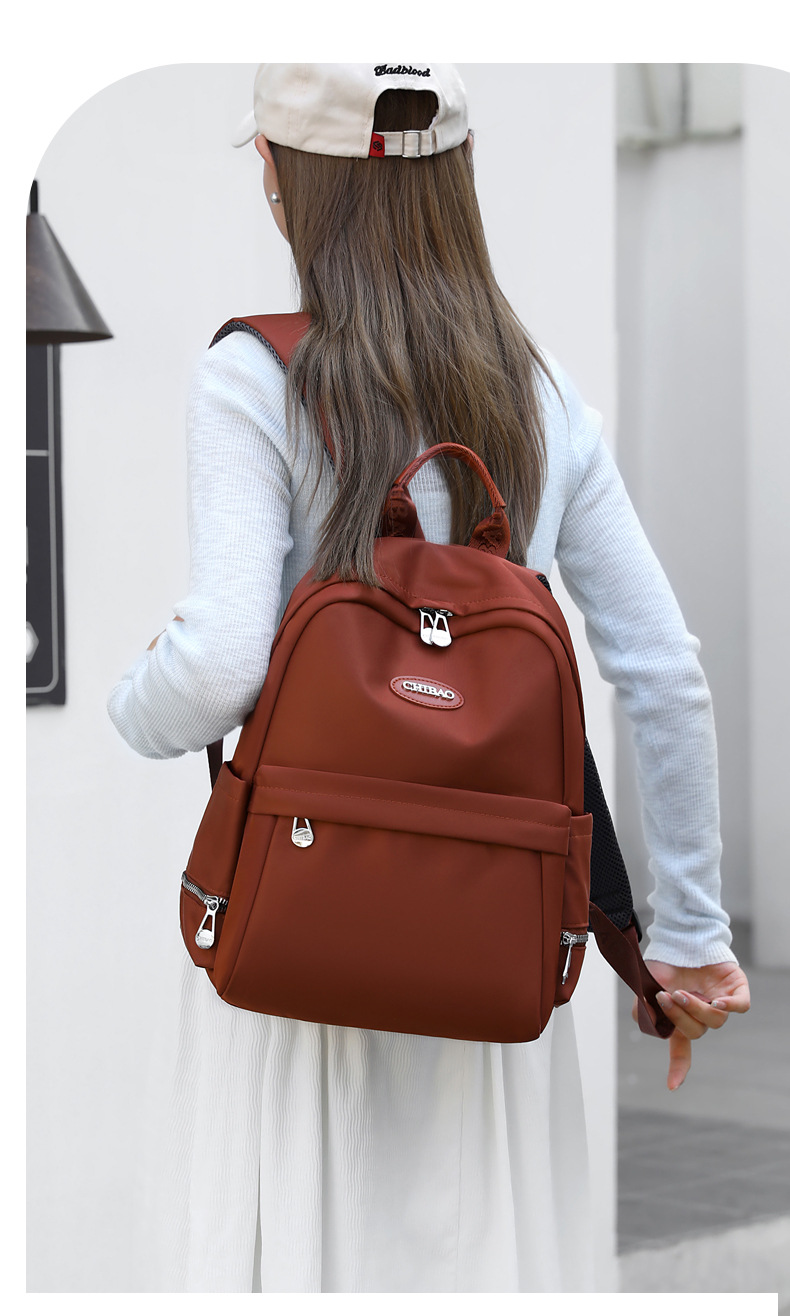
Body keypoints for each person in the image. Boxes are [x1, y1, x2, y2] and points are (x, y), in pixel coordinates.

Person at [107, 63, 750, 1293]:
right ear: (454, 179)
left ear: (283, 180)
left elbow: (219, 663)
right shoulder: (542, 399)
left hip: (299, 955)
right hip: (488, 959)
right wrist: (686, 938)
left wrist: (131, 701)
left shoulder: (256, 376)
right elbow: (664, 671)